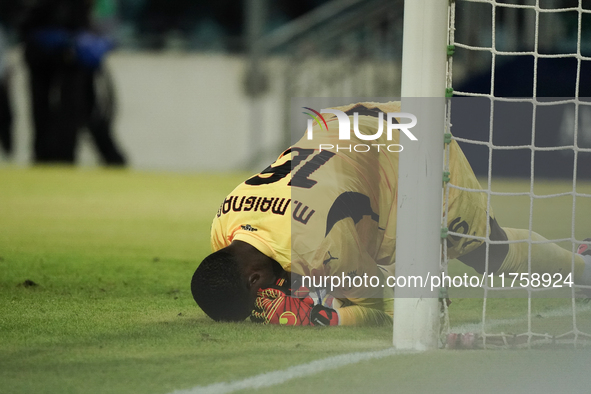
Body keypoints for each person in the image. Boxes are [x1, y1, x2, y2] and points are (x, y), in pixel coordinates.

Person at [191, 101, 591, 326]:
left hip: (408, 148)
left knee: (486, 254)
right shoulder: (223, 228)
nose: (262, 304)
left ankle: (584, 270)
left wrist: (324, 318)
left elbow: (374, 304)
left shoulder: (319, 246)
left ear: (254, 277)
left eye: (256, 298)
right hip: (340, 126)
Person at [20, 0, 125, 165]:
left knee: (74, 107)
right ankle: (49, 156)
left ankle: (61, 156)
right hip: (45, 49)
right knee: (47, 110)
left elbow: (104, 19)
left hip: (74, 53)